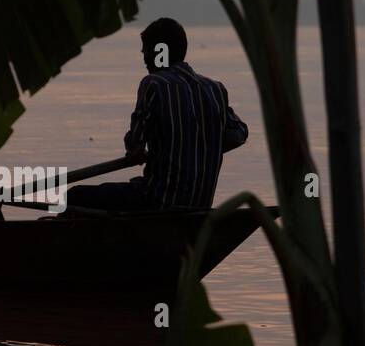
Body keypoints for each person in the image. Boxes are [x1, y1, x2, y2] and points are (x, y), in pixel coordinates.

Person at [68, 17, 248, 212]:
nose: (144, 58)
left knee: (73, 196)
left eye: (146, 52)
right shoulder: (215, 89)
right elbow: (239, 134)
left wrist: (156, 148)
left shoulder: (154, 84)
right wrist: (200, 144)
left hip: (157, 201)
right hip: (199, 205)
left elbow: (134, 147)